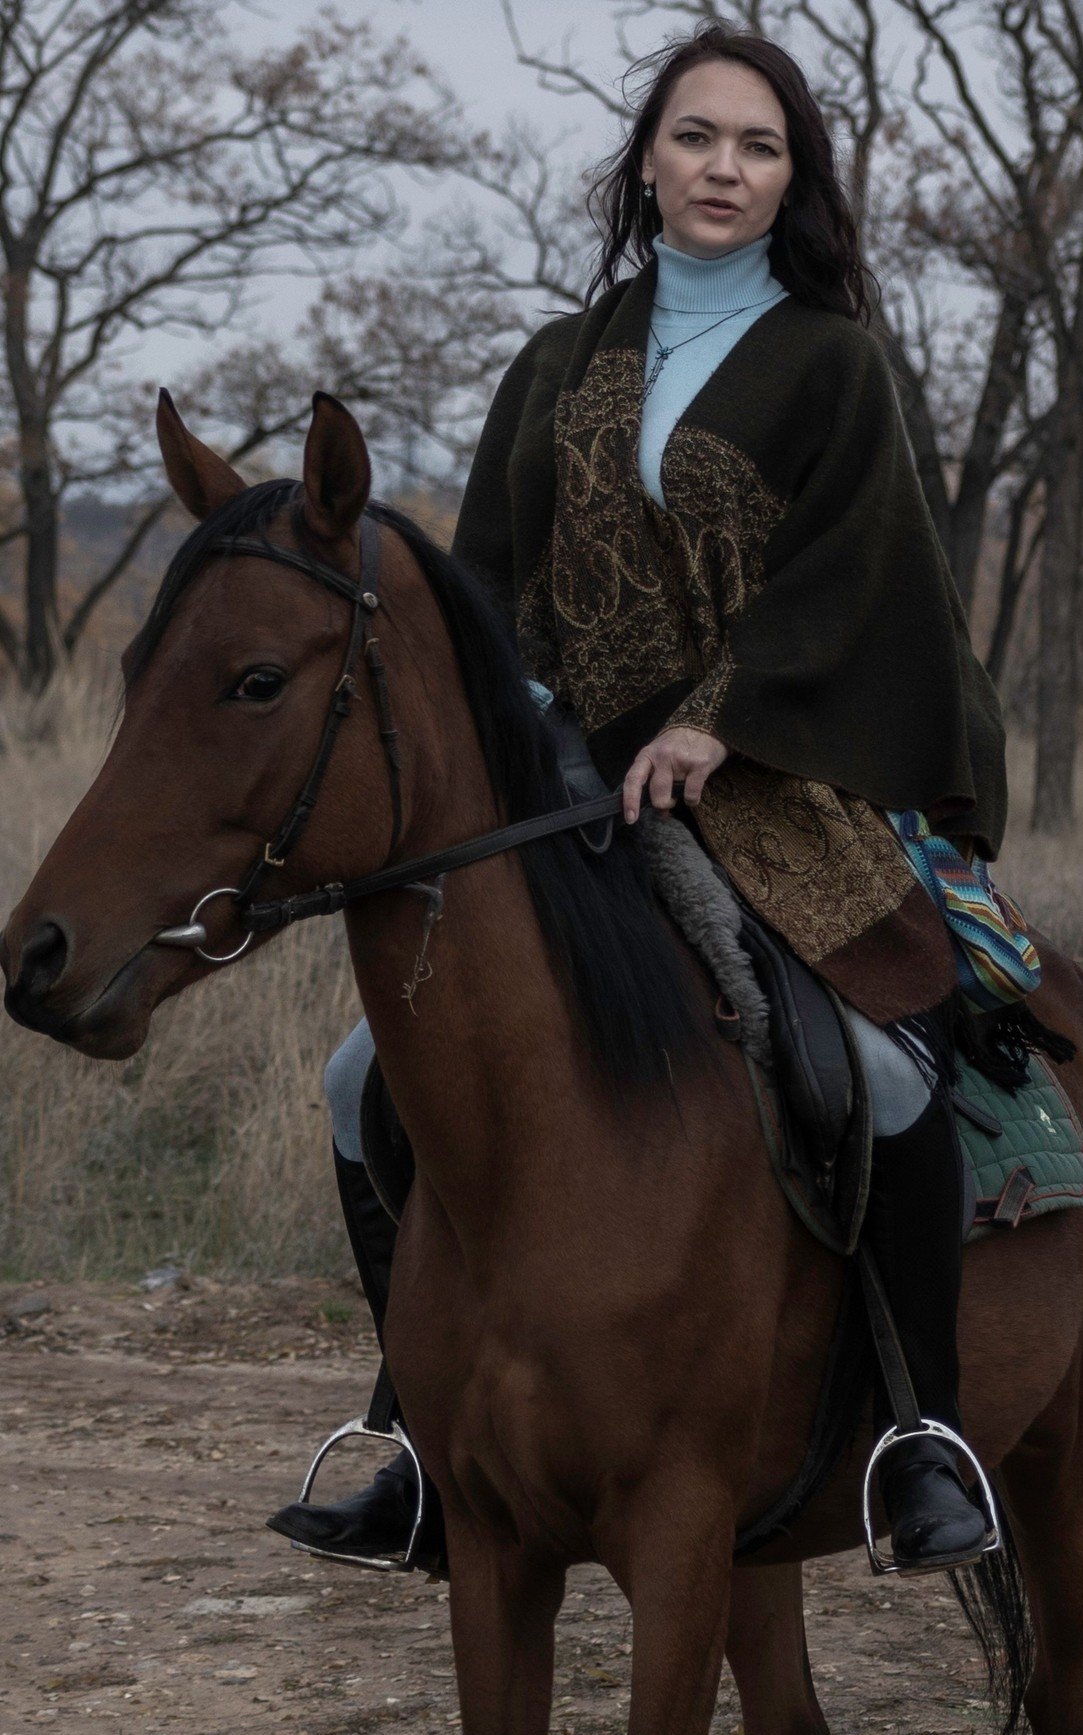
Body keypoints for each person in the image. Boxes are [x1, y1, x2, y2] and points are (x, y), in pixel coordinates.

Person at [269, 24, 1008, 1574]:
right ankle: (414, 1427)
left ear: (791, 177)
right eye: (696, 138)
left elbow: (857, 585)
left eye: (758, 146)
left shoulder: (834, 362)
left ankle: (920, 1437)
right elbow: (484, 588)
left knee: (878, 1078)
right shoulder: (557, 363)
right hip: (566, 804)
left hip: (774, 795)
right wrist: (532, 730)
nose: (723, 169)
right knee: (361, 1085)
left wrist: (717, 727)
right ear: (648, 161)